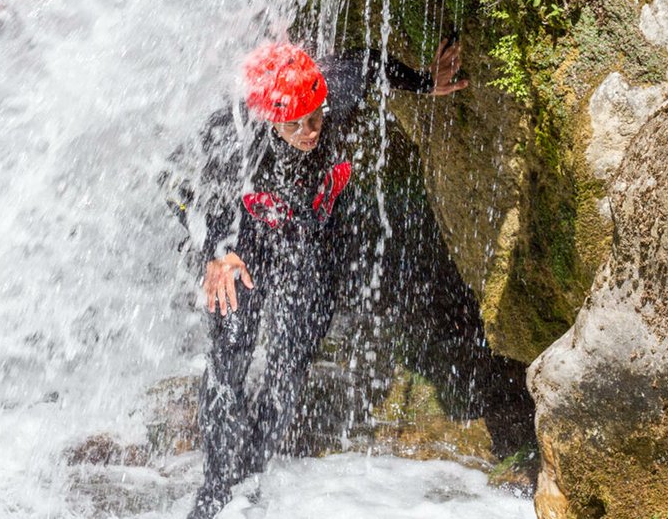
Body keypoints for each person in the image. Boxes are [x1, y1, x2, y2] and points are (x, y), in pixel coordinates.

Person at [172, 39, 531, 519]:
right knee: (230, 354)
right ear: (268, 118)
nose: (309, 131)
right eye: (295, 123)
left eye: (315, 118)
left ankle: (251, 474)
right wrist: (217, 252)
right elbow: (191, 193)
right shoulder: (233, 133)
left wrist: (426, 82)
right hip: (244, 245)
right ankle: (216, 489)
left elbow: (369, 62)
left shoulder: (334, 89)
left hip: (315, 235)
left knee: (293, 356)